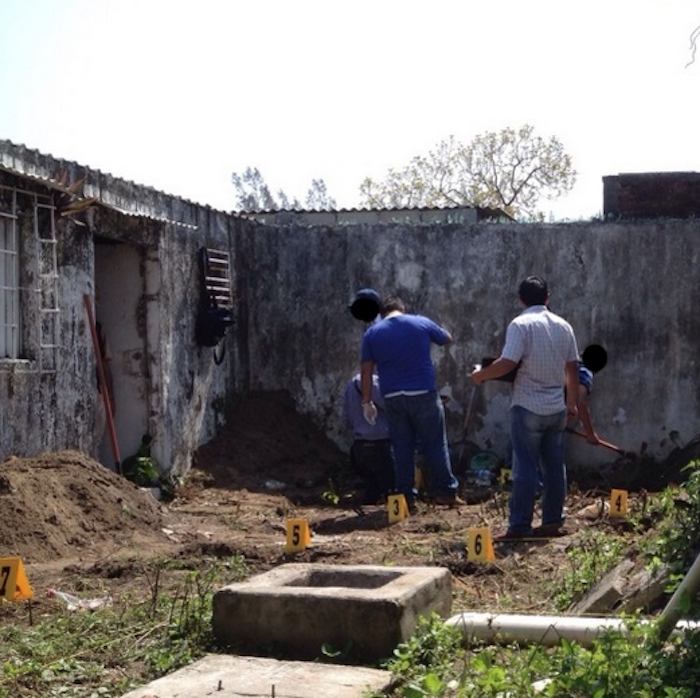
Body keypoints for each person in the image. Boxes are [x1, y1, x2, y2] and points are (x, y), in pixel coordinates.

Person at [470, 276, 579, 538]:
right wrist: (572, 402)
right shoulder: (564, 327)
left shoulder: (520, 325)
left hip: (528, 405)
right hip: (556, 407)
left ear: (520, 299)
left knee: (525, 468)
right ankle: (552, 520)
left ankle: (520, 525)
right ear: (548, 297)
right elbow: (573, 367)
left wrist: (481, 375)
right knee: (555, 468)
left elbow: (508, 362)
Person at [360, 296, 460, 507]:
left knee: (402, 447)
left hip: (393, 397)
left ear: (383, 313)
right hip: (423, 392)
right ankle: (446, 492)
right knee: (434, 443)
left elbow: (366, 370)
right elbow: (447, 338)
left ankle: (406, 497)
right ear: (401, 309)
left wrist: (366, 401)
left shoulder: (372, 333)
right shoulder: (419, 322)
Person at [343, 372, 395, 504]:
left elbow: (347, 418)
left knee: (372, 492)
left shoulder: (350, 385)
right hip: (379, 444)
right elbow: (390, 405)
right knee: (392, 492)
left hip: (359, 445)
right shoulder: (371, 381)